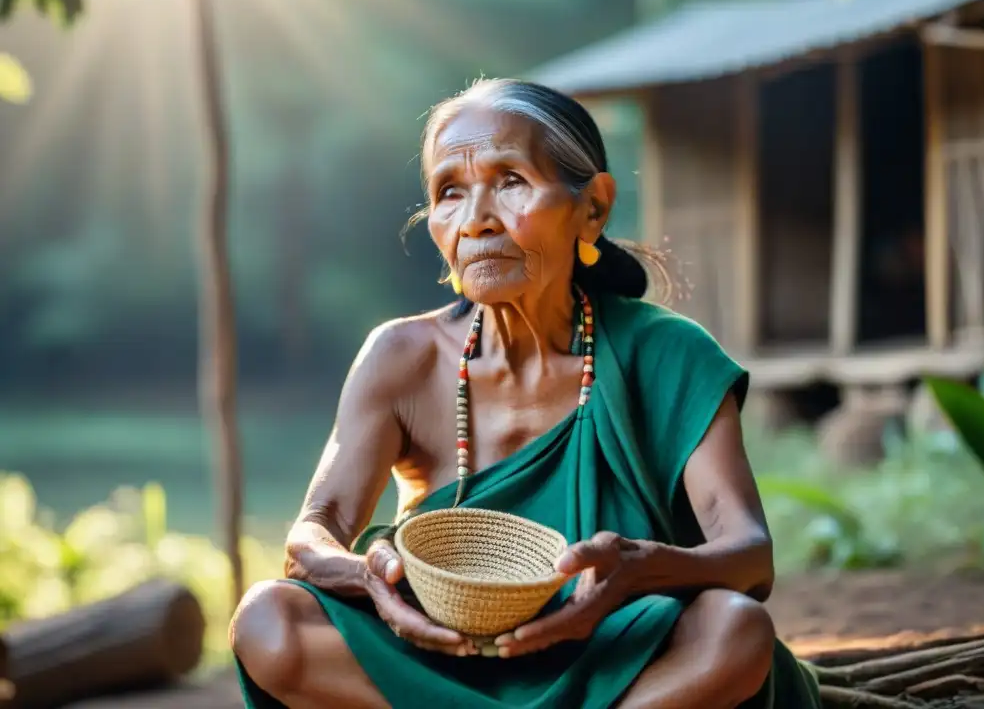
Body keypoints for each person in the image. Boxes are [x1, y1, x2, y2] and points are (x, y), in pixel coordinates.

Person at [230, 78, 823, 709]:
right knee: (269, 620)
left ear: (593, 208)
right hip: (441, 651)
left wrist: (638, 569)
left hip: (616, 653)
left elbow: (749, 558)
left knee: (734, 631)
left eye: (510, 181)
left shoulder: (669, 353)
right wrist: (374, 581)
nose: (477, 219)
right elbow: (313, 534)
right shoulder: (400, 358)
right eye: (449, 193)